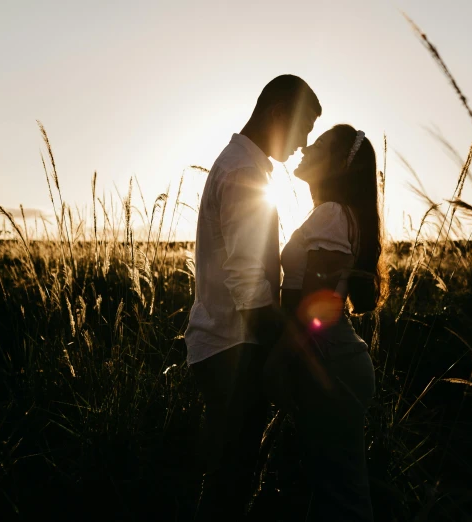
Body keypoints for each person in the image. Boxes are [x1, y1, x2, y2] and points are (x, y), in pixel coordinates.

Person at [185, 74, 321, 521]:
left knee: (227, 482)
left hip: (223, 346)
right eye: (303, 129)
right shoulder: (244, 171)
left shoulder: (244, 165)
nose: (303, 145)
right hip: (232, 351)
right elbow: (248, 286)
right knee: (229, 488)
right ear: (279, 113)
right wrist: (292, 351)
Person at [267, 124, 387, 521]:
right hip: (330, 359)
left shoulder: (333, 215)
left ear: (337, 164)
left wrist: (278, 361)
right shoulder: (333, 215)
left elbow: (316, 310)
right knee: (333, 489)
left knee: (343, 495)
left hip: (330, 359)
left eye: (316, 146)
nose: (303, 150)